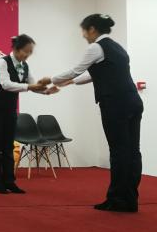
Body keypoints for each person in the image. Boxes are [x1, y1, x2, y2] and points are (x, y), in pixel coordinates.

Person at [50, 14, 143, 212]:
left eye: (84, 31)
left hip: (115, 103)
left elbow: (76, 70)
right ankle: (130, 199)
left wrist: (52, 79)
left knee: (118, 151)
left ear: (92, 29)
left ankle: (116, 200)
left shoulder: (95, 47)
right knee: (133, 151)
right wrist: (71, 82)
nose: (83, 35)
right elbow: (96, 74)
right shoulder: (117, 48)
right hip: (133, 101)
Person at [0, 34, 53, 194]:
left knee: (8, 146)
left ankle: (10, 181)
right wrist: (30, 87)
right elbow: (6, 85)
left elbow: (33, 85)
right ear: (16, 48)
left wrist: (46, 91)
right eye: (25, 51)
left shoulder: (25, 66)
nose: (27, 55)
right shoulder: (2, 62)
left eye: (30, 52)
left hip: (10, 110)